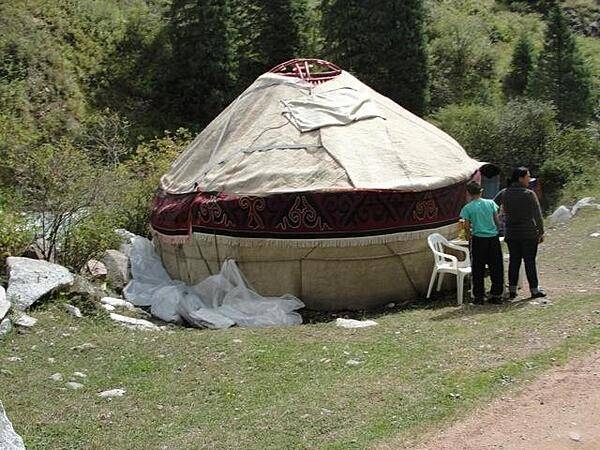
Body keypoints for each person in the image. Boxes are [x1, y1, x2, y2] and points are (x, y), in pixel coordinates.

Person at [502, 166, 546, 299]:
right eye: (527, 177)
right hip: (528, 233)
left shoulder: (505, 193)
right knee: (529, 262)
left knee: (514, 262)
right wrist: (541, 231)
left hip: (511, 234)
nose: (529, 179)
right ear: (521, 179)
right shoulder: (529, 194)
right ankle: (534, 290)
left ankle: (513, 290)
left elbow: (493, 204)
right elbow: (537, 215)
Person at [460, 180, 504, 304]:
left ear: (468, 193)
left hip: (478, 239)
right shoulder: (491, 203)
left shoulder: (467, 208)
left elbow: (467, 227)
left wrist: (469, 238)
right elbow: (497, 221)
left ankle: (479, 296)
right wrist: (495, 230)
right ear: (481, 191)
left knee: (478, 268)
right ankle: (496, 295)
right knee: (496, 267)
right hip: (493, 239)